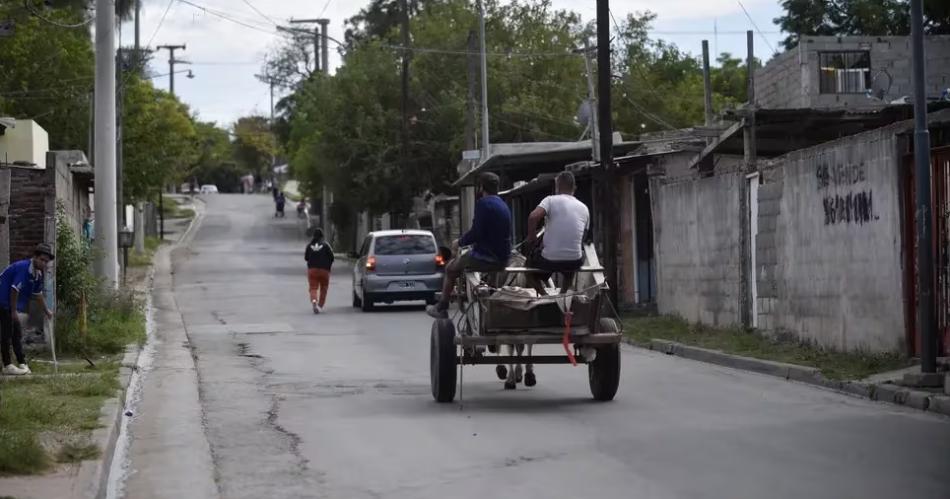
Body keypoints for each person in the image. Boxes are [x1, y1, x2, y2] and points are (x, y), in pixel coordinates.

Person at [426, 172, 512, 319]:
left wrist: (459, 242)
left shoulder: (483, 204)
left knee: (450, 269)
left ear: (481, 187)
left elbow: (476, 233)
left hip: (485, 257)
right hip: (503, 258)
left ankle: (442, 306)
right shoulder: (503, 204)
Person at [525, 171, 590, 295]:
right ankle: (563, 294)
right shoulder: (584, 208)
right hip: (574, 260)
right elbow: (583, 237)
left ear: (557, 186)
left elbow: (533, 217)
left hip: (549, 260)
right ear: (574, 188)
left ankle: (545, 295)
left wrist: (531, 237)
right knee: (570, 270)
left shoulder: (550, 200)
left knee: (528, 268)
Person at [0, 243, 55, 375]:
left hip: (10, 304)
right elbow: (14, 289)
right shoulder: (24, 268)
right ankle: (7, 365)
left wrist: (46, 311)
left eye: (46, 261)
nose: (44, 263)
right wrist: (13, 312)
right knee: (7, 333)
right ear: (35, 257)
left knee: (16, 333)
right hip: (2, 300)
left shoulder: (37, 275)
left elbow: (38, 295)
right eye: (42, 259)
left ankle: (22, 363)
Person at [305, 229, 334, 314]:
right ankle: (320, 306)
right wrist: (328, 265)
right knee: (324, 288)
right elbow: (332, 257)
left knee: (313, 287)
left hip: (312, 270)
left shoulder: (309, 245)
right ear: (322, 236)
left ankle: (314, 300)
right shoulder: (326, 245)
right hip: (324, 270)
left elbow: (306, 258)